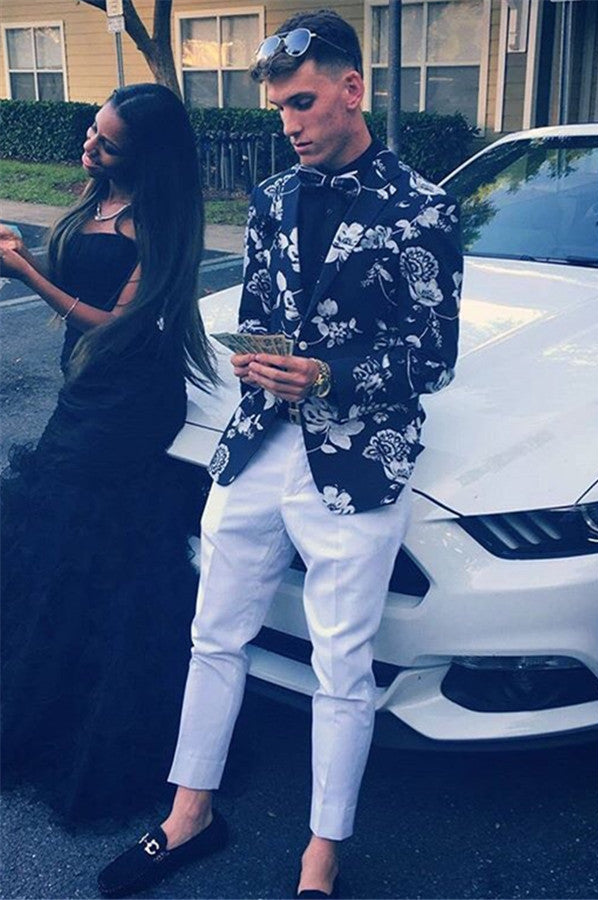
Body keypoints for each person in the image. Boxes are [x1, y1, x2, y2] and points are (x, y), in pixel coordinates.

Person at [98, 9, 462, 898]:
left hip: (359, 460)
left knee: (342, 667)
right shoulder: (270, 199)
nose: (289, 123)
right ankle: (190, 813)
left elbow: (434, 356)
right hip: (258, 443)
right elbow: (260, 312)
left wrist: (328, 375)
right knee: (213, 633)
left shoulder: (423, 207)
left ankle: (320, 857)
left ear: (352, 90)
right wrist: (256, 358)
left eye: (302, 103)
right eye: (279, 110)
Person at [0, 83, 218, 825]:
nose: (90, 146)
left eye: (108, 143)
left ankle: (105, 715)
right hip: (85, 389)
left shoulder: (159, 221)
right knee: (64, 541)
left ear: (146, 158)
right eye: (94, 130)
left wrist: (27, 276)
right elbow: (78, 283)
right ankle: (53, 689)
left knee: (92, 542)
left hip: (130, 403)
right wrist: (26, 255)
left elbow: (117, 326)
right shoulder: (96, 199)